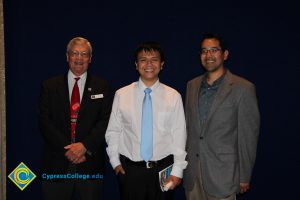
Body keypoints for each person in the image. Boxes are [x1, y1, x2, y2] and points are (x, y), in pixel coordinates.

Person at [105, 42, 187, 200]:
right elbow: (113, 130)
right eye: (143, 60)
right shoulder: (122, 94)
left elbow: (179, 135)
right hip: (130, 172)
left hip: (164, 170)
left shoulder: (173, 96)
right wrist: (115, 161)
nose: (149, 64)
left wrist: (178, 170)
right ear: (136, 65)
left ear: (162, 65)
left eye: (154, 59)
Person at [183, 33, 260, 200]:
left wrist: (244, 176)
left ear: (225, 54)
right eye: (204, 51)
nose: (208, 55)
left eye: (214, 50)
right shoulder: (192, 85)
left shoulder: (243, 88)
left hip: (223, 176)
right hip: (192, 176)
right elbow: (188, 129)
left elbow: (248, 137)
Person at [38, 37, 112, 200]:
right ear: (67, 56)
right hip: (56, 164)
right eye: (75, 53)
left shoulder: (102, 86)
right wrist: (69, 150)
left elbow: (105, 121)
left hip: (90, 164)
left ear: (90, 58)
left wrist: (85, 146)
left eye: (84, 54)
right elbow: (44, 122)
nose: (79, 58)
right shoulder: (49, 86)